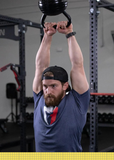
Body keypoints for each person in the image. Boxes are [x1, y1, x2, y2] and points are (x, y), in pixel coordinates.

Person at [32, 21, 90, 152]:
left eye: (53, 86)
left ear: (65, 86)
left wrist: (69, 34)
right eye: (45, 86)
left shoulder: (77, 102)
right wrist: (47, 36)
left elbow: (77, 65)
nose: (48, 91)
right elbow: (40, 66)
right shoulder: (39, 97)